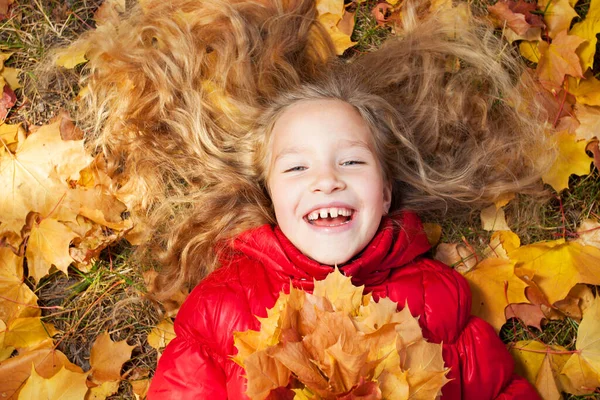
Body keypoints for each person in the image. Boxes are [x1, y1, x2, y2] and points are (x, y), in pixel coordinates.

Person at [74, 0, 552, 398]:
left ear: (385, 192)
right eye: (297, 167)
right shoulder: (222, 308)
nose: (326, 180)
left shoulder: (439, 302)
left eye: (352, 162)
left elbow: (501, 388)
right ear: (269, 194)